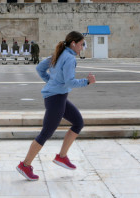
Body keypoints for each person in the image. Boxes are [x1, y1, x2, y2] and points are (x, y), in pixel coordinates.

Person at [16, 31, 96, 181]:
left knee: (78, 122)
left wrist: (51, 81)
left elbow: (40, 68)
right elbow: (69, 82)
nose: (82, 47)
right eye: (81, 44)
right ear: (73, 43)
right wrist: (87, 81)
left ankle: (62, 156)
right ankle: (25, 165)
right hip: (56, 99)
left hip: (57, 97)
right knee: (46, 133)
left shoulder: (59, 53)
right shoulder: (69, 58)